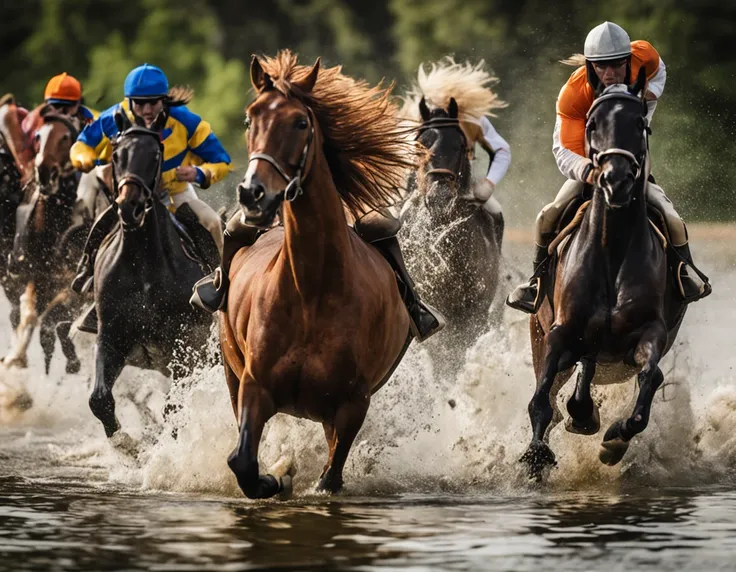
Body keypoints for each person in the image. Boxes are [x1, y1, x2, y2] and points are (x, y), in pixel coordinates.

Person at [506, 21, 710, 314]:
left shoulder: (645, 56)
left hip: (632, 160)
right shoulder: (573, 95)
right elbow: (564, 151)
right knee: (547, 216)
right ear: (590, 67)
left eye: (617, 65)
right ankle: (536, 284)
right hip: (591, 163)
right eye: (602, 67)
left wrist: (649, 95)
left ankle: (685, 275)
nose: (611, 73)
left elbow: (660, 69)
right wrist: (590, 172)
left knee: (671, 217)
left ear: (629, 60)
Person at [69, 63, 232, 333]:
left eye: (153, 103)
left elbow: (222, 161)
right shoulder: (113, 117)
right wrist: (85, 159)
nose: (146, 110)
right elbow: (81, 144)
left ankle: (222, 288)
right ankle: (89, 281)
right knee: (100, 225)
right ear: (128, 101)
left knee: (213, 222)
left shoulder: (186, 121)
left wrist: (200, 172)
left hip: (173, 193)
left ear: (163, 100)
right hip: (130, 195)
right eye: (139, 104)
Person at [0, 73, 95, 184]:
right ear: (47, 104)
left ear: (78, 105)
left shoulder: (85, 121)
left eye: (66, 107)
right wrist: (25, 165)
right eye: (55, 106)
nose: (60, 112)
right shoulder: (35, 119)